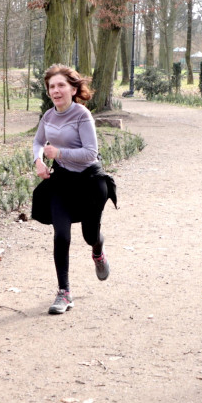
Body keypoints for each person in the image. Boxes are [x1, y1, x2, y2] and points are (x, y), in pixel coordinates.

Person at [31, 64, 117, 315]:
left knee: (89, 236)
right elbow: (38, 141)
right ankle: (64, 293)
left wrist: (58, 152)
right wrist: (38, 160)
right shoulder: (48, 116)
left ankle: (98, 251)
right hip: (62, 183)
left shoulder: (82, 115)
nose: (56, 91)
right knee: (61, 235)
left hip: (90, 182)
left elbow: (90, 152)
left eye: (61, 85)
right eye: (51, 87)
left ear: (72, 88)